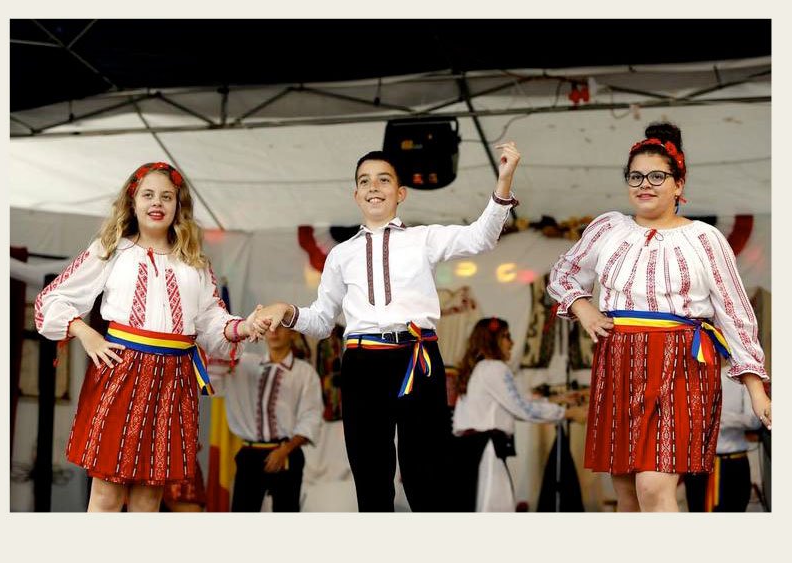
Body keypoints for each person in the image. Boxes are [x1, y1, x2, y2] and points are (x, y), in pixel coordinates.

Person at [250, 142, 521, 511]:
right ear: (356, 194)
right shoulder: (339, 255)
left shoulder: (422, 239)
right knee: (372, 476)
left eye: (383, 180)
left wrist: (504, 180)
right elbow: (322, 320)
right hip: (363, 365)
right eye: (365, 181)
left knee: (426, 476)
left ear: (400, 193)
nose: (374, 187)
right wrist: (287, 311)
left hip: (417, 359)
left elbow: (481, 237)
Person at [546, 122, 771, 512]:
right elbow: (563, 274)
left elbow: (735, 312)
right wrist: (583, 308)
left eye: (656, 176)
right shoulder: (608, 229)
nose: (644, 184)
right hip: (617, 360)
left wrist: (756, 389)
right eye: (635, 176)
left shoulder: (704, 238)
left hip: (681, 363)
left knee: (654, 484)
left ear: (679, 184)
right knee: (628, 491)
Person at [35, 161, 258, 512]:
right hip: (120, 371)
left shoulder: (195, 261)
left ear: (177, 205)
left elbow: (212, 321)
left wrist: (243, 327)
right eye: (148, 195)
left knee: (148, 499)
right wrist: (86, 333)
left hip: (174, 379)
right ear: (132, 201)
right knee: (107, 495)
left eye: (166, 197)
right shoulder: (111, 249)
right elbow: (53, 299)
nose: (157, 203)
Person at [451, 317, 587, 512]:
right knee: (496, 509)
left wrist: (558, 399)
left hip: (475, 451)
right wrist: (567, 413)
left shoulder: (480, 369)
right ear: (491, 340)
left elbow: (517, 401)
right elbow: (522, 408)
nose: (512, 342)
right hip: (486, 452)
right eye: (506, 336)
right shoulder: (494, 368)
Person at [208, 325, 323, 511]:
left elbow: (311, 416)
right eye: (268, 328)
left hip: (286, 453)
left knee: (286, 515)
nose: (274, 333)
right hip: (249, 454)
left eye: (280, 328)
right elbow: (214, 378)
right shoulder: (244, 364)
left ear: (293, 333)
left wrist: (285, 450)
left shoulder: (304, 373)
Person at [684, 371, 763, 511]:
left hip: (733, 464)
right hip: (697, 465)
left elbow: (754, 420)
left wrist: (719, 417)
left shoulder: (742, 375)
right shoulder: (689, 374)